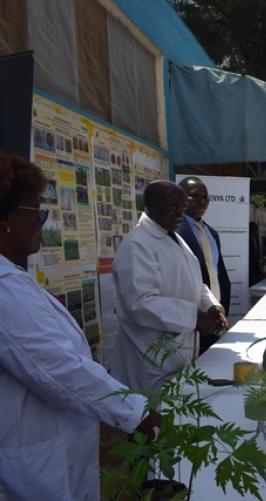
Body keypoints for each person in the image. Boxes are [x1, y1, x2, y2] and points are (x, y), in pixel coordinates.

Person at [0, 153, 160, 499]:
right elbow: (56, 368)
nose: (42, 222)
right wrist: (134, 412)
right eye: (36, 213)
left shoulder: (12, 278)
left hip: (52, 444)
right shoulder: (3, 288)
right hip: (33, 457)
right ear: (5, 222)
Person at [111, 180, 228, 392]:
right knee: (153, 416)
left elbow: (196, 283)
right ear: (150, 205)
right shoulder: (138, 244)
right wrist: (194, 318)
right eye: (172, 206)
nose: (179, 213)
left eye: (182, 207)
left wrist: (212, 306)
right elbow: (140, 304)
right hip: (149, 358)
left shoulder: (174, 238)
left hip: (177, 354)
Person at [177, 176, 231, 353]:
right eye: (195, 196)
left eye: (205, 197)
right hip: (191, 317)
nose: (202, 201)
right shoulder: (174, 232)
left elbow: (218, 272)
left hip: (215, 312)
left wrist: (221, 307)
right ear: (181, 197)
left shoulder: (211, 233)